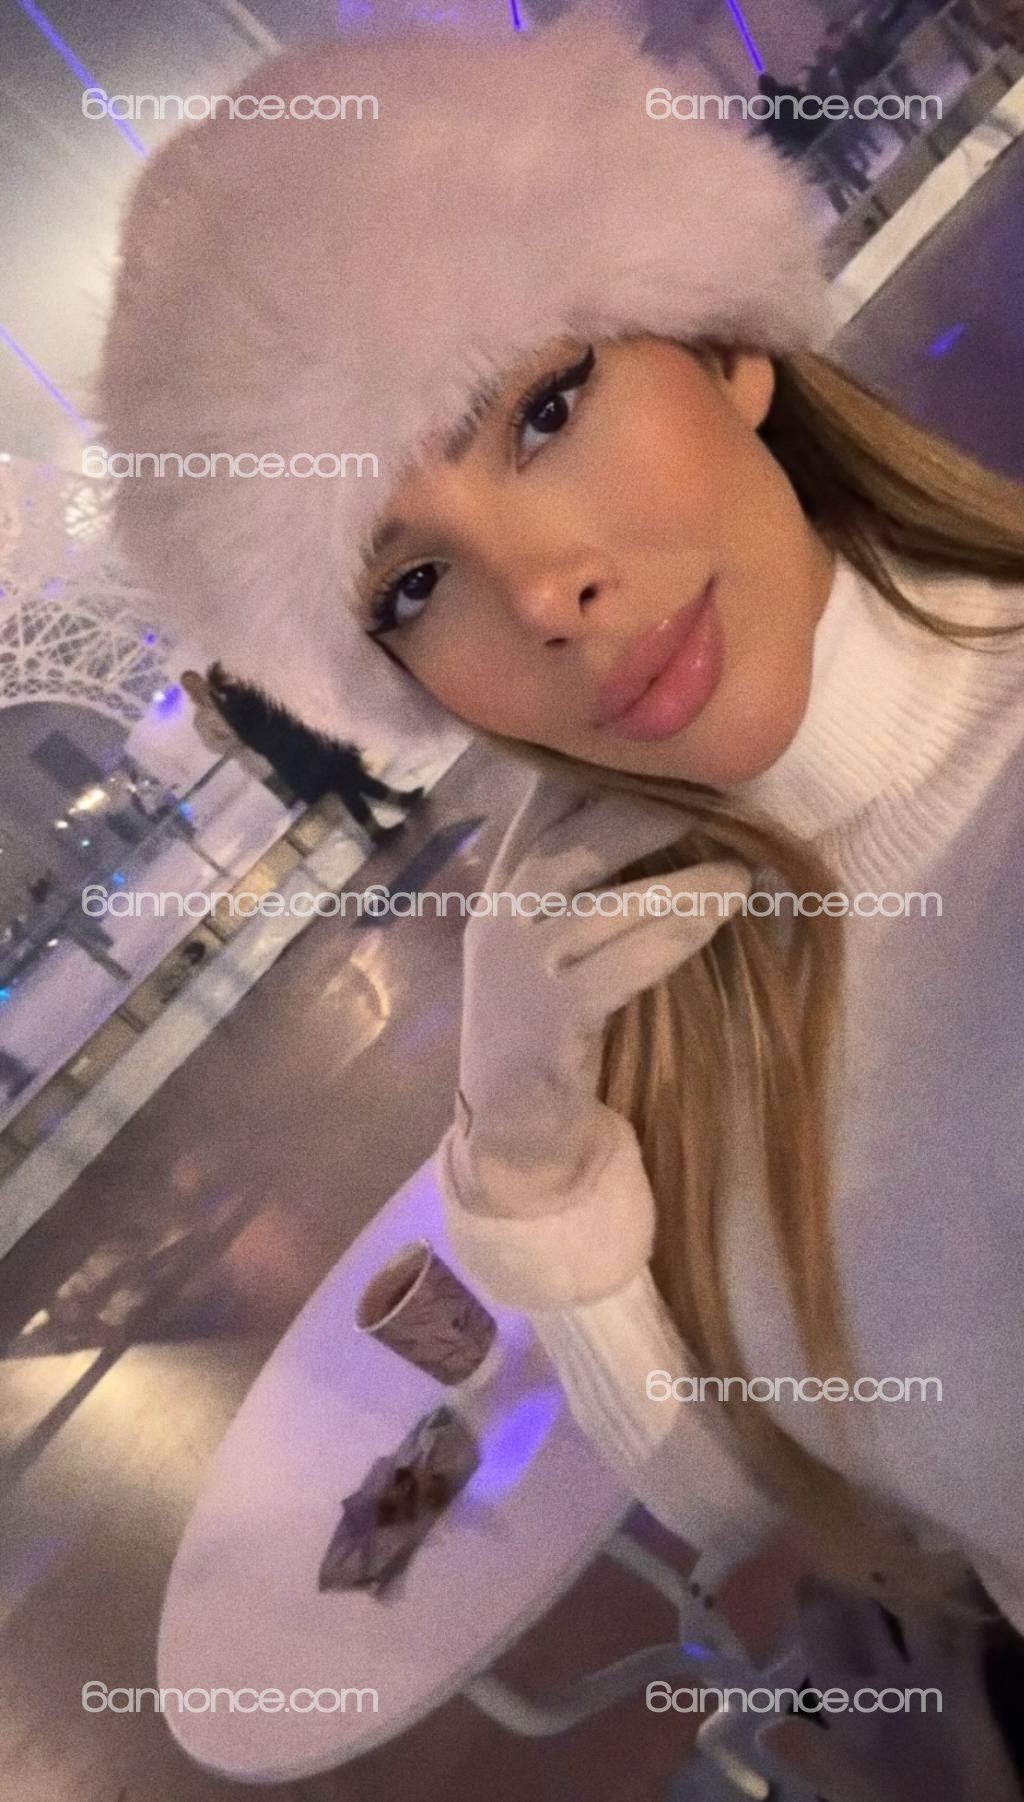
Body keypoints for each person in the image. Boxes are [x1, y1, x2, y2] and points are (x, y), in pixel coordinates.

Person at [97, 18, 1024, 1797]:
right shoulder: (616, 946)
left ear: (722, 340)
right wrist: (537, 1170)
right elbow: (743, 1491)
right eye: (412, 582)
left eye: (541, 408)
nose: (543, 595)